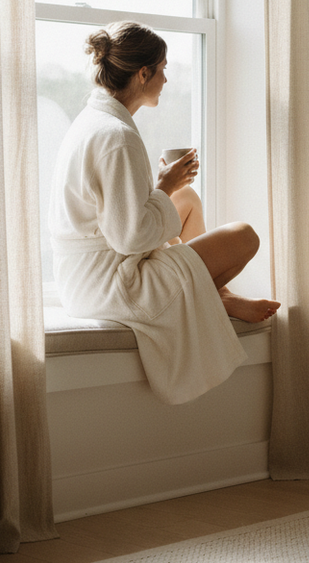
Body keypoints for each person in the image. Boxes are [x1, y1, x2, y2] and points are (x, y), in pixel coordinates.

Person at [49, 21, 279, 405]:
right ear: (143, 74)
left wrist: (167, 187)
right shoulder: (117, 136)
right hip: (109, 283)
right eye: (163, 70)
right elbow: (131, 238)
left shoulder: (95, 121)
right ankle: (215, 297)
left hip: (83, 276)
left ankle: (217, 294)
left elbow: (121, 218)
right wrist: (164, 187)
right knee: (244, 236)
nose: (166, 80)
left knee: (187, 199)